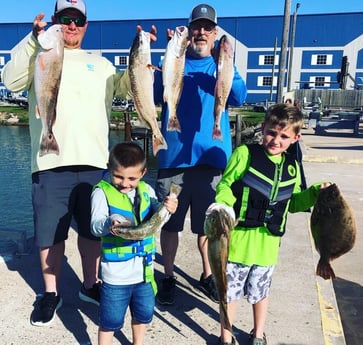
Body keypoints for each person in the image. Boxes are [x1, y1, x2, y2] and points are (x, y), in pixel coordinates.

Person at [1, 0, 135, 326]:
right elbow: (10, 81)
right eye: (65, 19)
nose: (71, 26)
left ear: (86, 24)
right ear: (55, 22)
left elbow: (127, 89)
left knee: (91, 233)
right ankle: (50, 293)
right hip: (50, 161)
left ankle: (91, 285)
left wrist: (140, 61)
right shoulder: (40, 54)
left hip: (94, 164)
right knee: (50, 235)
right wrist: (33, 40)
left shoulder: (100, 64)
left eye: (77, 20)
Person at [210, 104, 330, 345]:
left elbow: (294, 203)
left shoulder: (293, 167)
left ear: (296, 138)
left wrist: (315, 193)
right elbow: (226, 184)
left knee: (260, 294)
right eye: (271, 133)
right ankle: (226, 336)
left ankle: (258, 333)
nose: (276, 140)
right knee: (229, 295)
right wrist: (222, 204)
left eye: (284, 136)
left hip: (267, 248)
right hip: (237, 243)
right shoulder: (245, 154)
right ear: (263, 128)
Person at [153, 3, 247, 305]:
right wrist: (165, 58)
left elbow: (239, 96)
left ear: (215, 32)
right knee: (170, 223)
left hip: (213, 160)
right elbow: (156, 92)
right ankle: (168, 275)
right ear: (189, 30)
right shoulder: (175, 59)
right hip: (174, 159)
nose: (201, 32)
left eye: (208, 28)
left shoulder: (222, 65)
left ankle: (207, 274)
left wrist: (228, 66)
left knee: (209, 226)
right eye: (197, 27)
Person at [90, 142, 178, 345]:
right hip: (115, 276)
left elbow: (159, 217)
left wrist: (168, 208)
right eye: (119, 176)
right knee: (109, 321)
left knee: (143, 314)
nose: (124, 183)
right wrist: (108, 223)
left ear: (143, 173)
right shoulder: (101, 192)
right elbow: (94, 226)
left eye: (132, 178)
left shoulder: (147, 190)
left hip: (144, 273)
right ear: (109, 168)